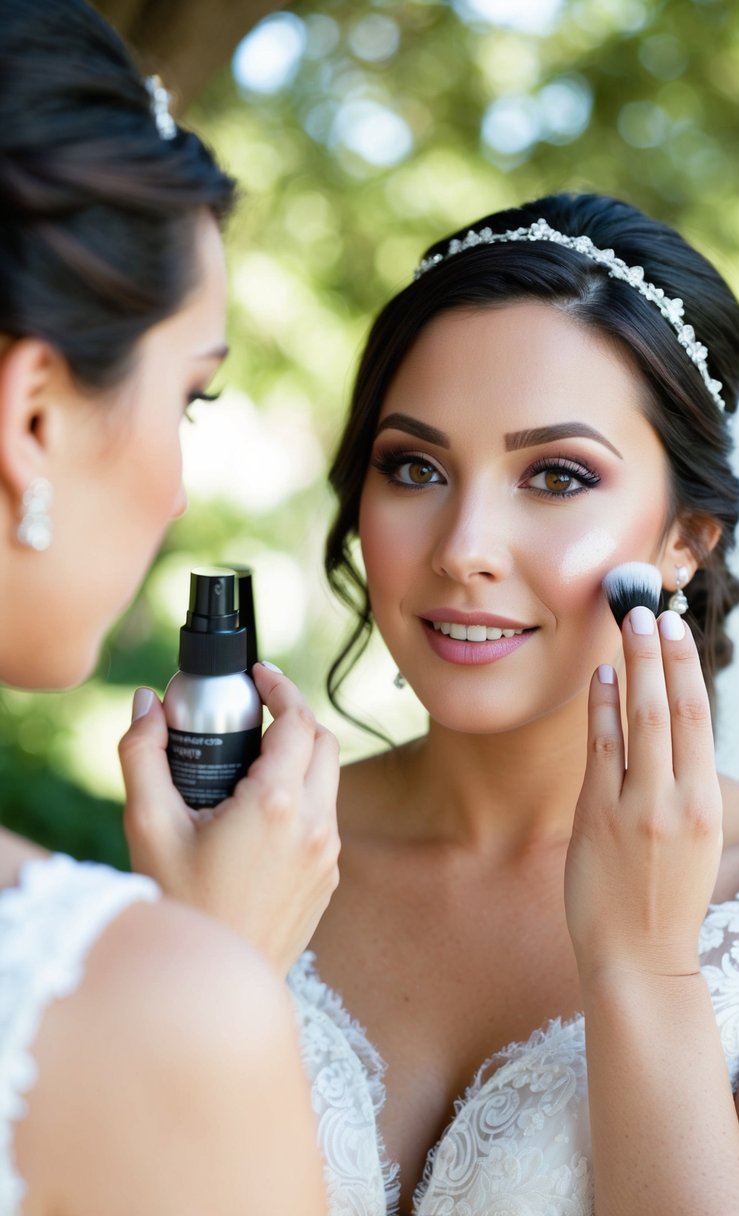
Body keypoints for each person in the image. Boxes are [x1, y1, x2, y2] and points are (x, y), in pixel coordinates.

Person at [298, 192, 739, 1214]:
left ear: (686, 538)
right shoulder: (251, 839)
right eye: (413, 466)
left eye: (554, 475)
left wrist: (645, 972)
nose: (461, 548)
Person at [0, 1, 338, 1213]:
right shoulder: (117, 1000)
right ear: (35, 415)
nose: (181, 484)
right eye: (189, 398)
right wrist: (217, 985)